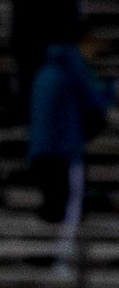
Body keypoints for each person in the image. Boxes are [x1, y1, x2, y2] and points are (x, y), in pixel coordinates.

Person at [29, 25, 115, 272]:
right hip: (64, 151)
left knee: (54, 206)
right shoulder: (73, 67)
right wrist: (111, 86)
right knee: (69, 207)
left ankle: (48, 258)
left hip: (40, 149)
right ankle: (58, 260)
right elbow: (95, 100)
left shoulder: (45, 68)